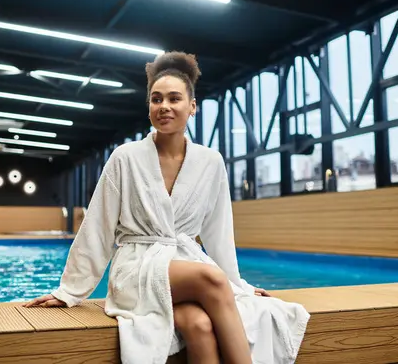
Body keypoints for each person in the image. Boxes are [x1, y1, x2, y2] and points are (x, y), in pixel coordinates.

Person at [24, 52, 310, 364]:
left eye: (174, 99)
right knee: (212, 280)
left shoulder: (211, 162)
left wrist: (238, 286)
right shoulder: (125, 157)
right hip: (136, 268)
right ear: (149, 108)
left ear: (192, 107)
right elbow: (98, 226)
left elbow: (218, 231)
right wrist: (69, 290)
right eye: (156, 99)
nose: (164, 107)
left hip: (183, 263)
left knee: (198, 325)